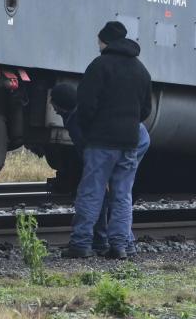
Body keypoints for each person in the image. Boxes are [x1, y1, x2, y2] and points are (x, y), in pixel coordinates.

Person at [63, 19, 152, 260]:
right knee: (122, 195)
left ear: (106, 41)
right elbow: (145, 110)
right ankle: (120, 246)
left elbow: (86, 105)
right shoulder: (141, 70)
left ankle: (81, 244)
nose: (98, 45)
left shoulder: (99, 66)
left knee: (91, 192)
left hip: (101, 143)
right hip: (129, 143)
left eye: (99, 41)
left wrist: (91, 128)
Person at [51, 82, 150, 257]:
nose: (53, 108)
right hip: (133, 137)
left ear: (60, 105)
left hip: (131, 141)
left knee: (108, 192)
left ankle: (114, 241)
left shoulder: (76, 120)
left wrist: (99, 175)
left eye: (53, 104)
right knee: (116, 193)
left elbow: (86, 150)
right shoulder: (78, 113)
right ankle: (118, 243)